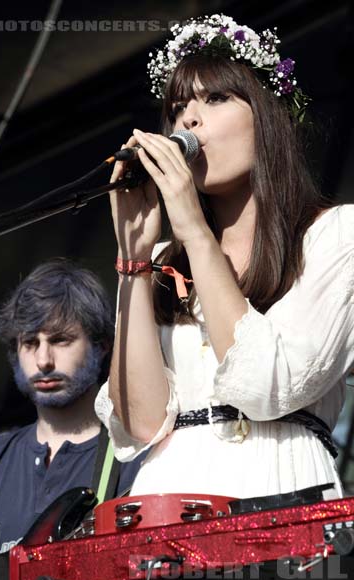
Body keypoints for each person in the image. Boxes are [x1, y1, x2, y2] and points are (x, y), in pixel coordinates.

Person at [95, 14, 354, 501]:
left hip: (279, 490)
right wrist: (132, 260)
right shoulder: (156, 262)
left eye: (214, 98)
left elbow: (269, 385)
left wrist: (192, 225)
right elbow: (143, 423)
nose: (188, 120)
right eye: (177, 108)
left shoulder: (336, 236)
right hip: (167, 505)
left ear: (269, 116)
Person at [0, 259, 144, 553]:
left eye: (61, 340)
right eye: (30, 343)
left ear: (101, 345)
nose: (44, 360)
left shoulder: (134, 455)